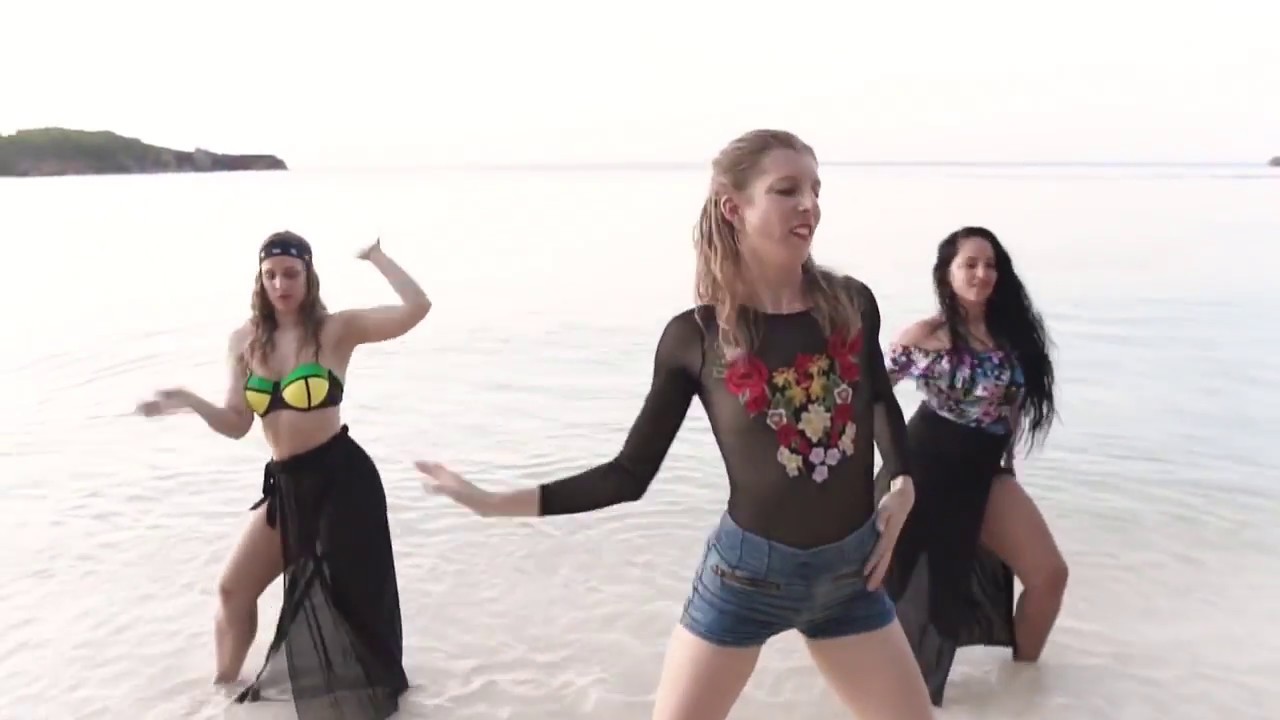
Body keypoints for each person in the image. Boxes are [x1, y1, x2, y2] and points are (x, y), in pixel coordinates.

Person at [414, 129, 935, 720]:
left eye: (815, 189)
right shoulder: (696, 337)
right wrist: (492, 504)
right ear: (734, 208)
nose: (809, 205)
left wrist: (902, 483)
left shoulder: (851, 303)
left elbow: (878, 400)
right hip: (746, 580)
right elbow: (629, 474)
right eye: (786, 190)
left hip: (851, 575)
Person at [135, 231, 430, 719]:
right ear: (259, 279)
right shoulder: (245, 341)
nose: (280, 284)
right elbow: (237, 424)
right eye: (270, 274)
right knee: (233, 589)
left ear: (309, 275)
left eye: (291, 273)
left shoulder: (336, 330)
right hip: (287, 485)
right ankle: (223, 694)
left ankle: (385, 698)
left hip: (343, 481)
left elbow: (417, 308)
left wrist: (377, 256)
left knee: (350, 600)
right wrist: (187, 400)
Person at [875, 226, 1067, 706]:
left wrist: (1008, 464)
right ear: (947, 273)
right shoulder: (925, 336)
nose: (982, 273)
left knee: (1049, 576)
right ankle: (881, 697)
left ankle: (1023, 692)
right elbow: (868, 398)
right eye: (970, 264)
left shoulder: (1013, 335)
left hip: (983, 470)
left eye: (990, 264)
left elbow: (1011, 409)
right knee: (894, 590)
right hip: (925, 469)